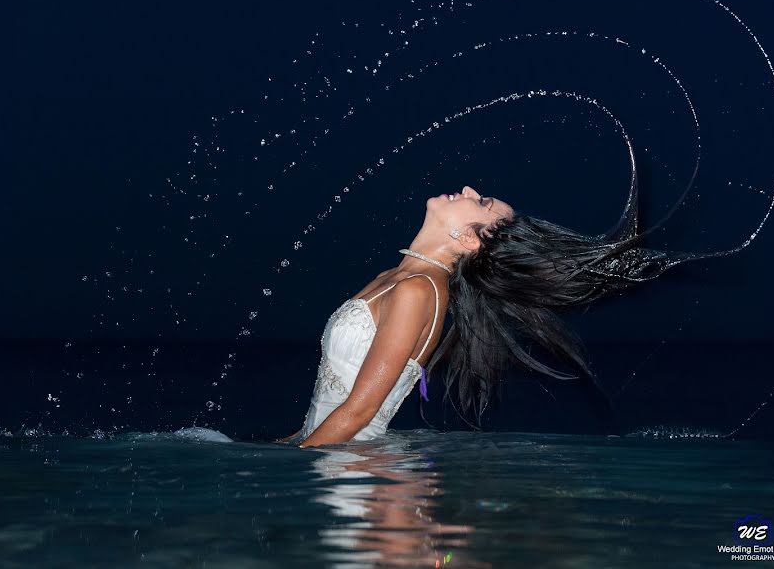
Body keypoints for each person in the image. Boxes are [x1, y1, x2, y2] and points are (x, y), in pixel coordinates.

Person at [277, 181, 714, 448]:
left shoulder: (416, 291)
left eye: (480, 201)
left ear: (469, 241)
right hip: (329, 452)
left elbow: (359, 410)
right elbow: (334, 397)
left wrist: (289, 478)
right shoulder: (396, 276)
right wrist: (285, 446)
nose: (467, 190)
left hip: (348, 476)